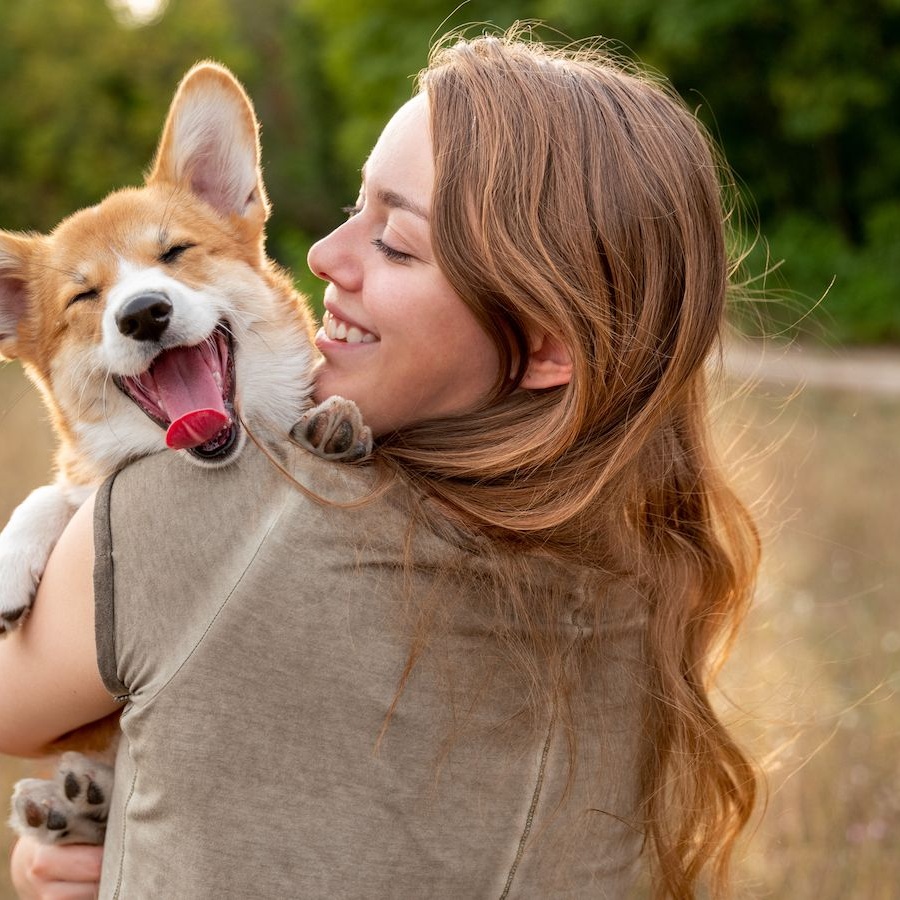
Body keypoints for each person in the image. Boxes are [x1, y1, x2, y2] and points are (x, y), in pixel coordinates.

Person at [3, 29, 760, 899]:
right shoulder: (646, 582)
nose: (319, 255)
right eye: (352, 209)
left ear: (547, 341)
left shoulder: (194, 514)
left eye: (395, 243)